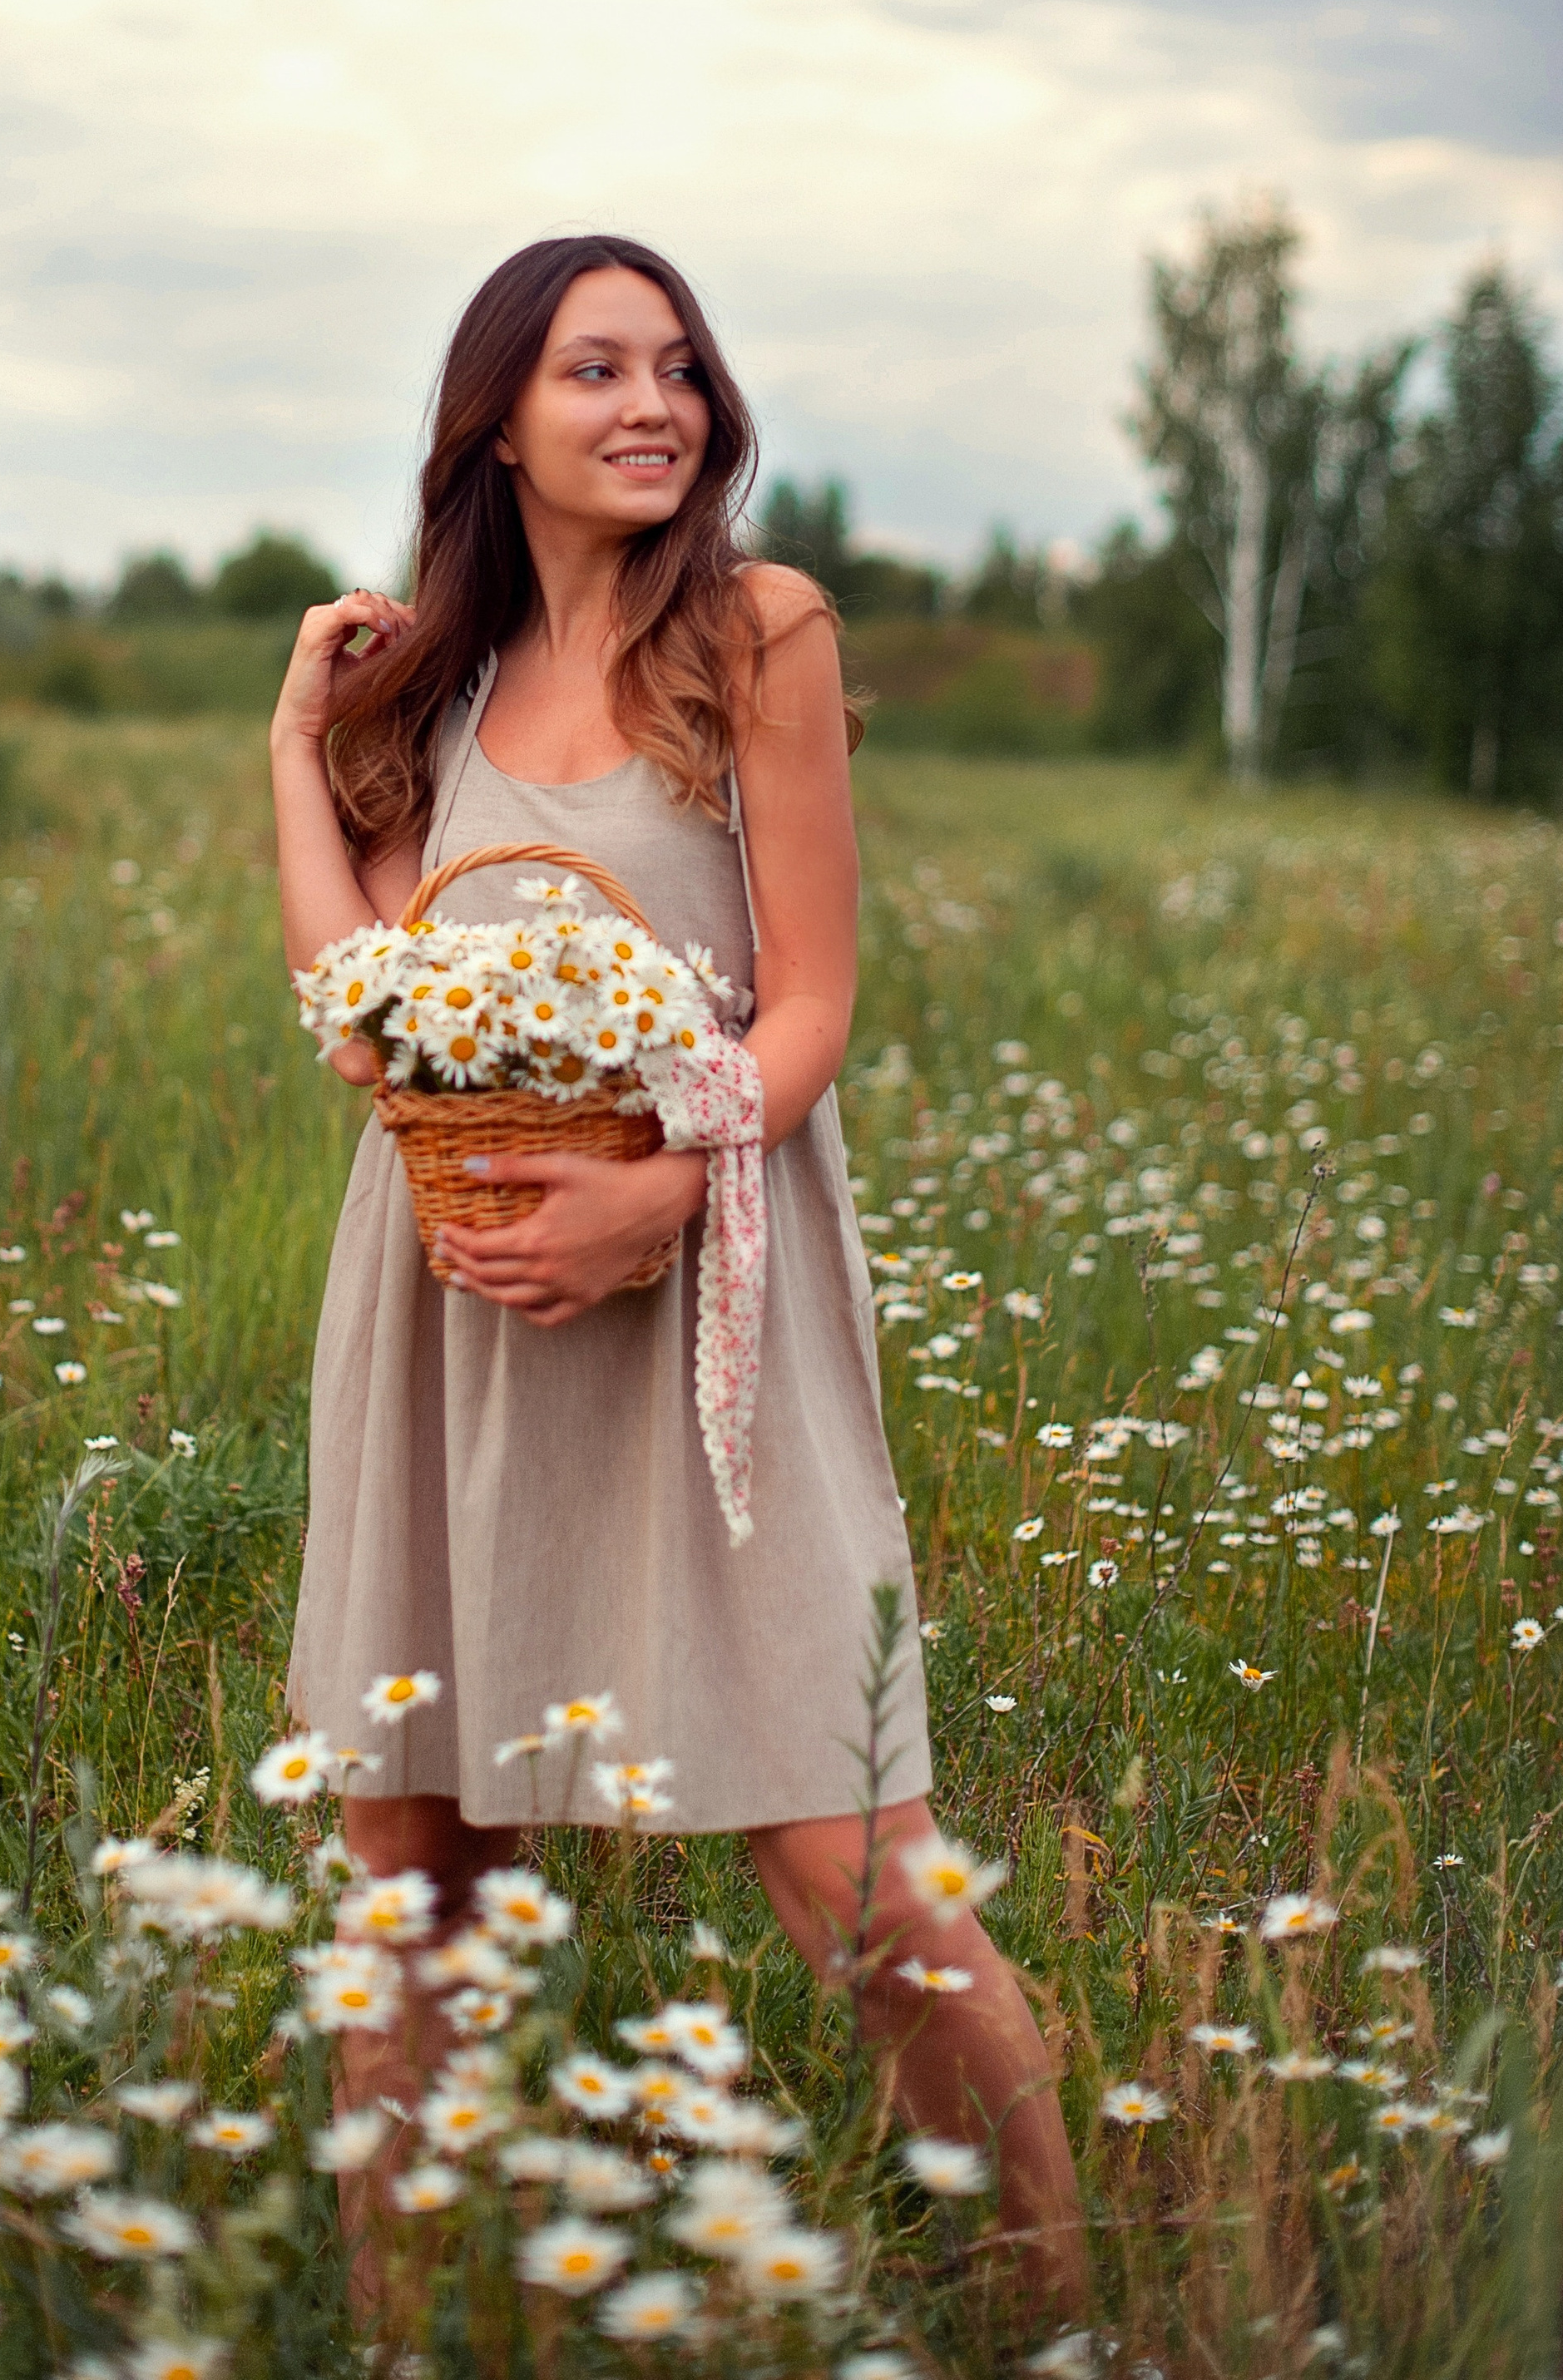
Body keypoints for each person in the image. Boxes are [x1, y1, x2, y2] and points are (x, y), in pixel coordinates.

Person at [270, 234, 1084, 2309]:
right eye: (593, 369)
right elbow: (369, 1020)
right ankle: (405, 2331)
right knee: (421, 1876)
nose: (653, 404)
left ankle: (1076, 2305)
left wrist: (658, 1187)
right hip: (453, 1309)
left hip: (707, 1269)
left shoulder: (755, 631)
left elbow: (809, 1005)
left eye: (679, 369)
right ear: (497, 425)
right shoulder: (431, 686)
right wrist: (297, 748)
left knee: (852, 1865)